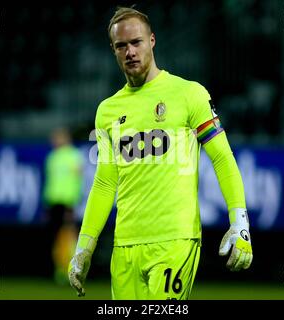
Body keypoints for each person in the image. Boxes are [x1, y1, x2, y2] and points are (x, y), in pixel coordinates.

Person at [68, 6, 252, 299]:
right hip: (125, 246)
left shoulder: (189, 94)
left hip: (174, 241)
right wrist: (84, 248)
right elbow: (104, 182)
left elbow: (222, 157)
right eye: (121, 46)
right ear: (113, 50)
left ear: (151, 41)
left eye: (136, 42)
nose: (130, 52)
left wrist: (239, 222)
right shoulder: (107, 111)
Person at [43, 127, 84, 284]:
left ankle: (73, 269)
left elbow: (77, 181)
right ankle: (59, 270)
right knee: (56, 238)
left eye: (58, 137)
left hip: (68, 203)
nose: (55, 141)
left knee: (69, 237)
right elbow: (51, 182)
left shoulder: (74, 155)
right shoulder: (52, 157)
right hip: (54, 201)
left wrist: (73, 202)